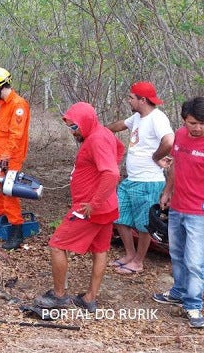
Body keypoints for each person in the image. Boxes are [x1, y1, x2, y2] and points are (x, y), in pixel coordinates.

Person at [34, 102, 124, 312]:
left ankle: (59, 296)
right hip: (107, 205)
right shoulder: (104, 133)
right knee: (100, 250)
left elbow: (112, 173)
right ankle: (89, 298)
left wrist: (94, 201)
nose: (73, 132)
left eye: (75, 127)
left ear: (86, 121)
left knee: (57, 245)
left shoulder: (97, 139)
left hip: (90, 209)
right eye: (71, 127)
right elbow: (119, 151)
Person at [106, 81, 174, 274]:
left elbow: (169, 141)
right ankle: (129, 254)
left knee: (145, 224)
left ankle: (138, 261)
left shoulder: (157, 118)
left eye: (131, 97)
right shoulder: (137, 117)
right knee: (119, 216)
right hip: (132, 179)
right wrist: (101, 129)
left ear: (142, 100)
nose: (129, 100)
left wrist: (156, 157)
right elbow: (121, 125)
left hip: (148, 181)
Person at [152, 97, 204, 328]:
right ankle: (179, 291)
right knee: (177, 254)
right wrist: (167, 191)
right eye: (193, 123)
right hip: (177, 207)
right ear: (184, 120)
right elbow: (175, 164)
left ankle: (193, 305)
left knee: (194, 261)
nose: (198, 128)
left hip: (199, 212)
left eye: (202, 123)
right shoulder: (180, 136)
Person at [0, 67, 30, 250]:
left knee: (9, 194)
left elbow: (15, 136)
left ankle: (16, 233)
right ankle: (2, 225)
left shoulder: (19, 105)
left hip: (10, 159)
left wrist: (5, 156)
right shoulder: (3, 104)